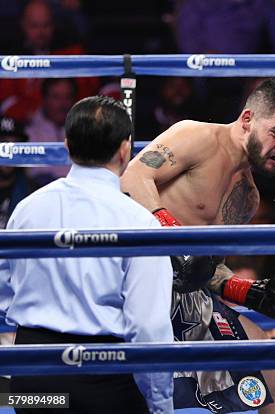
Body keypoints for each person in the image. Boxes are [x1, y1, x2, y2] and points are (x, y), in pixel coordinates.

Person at [121, 75, 275, 414]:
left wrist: (247, 292)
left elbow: (205, 268)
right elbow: (133, 177)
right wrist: (176, 241)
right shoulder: (196, 135)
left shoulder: (247, 197)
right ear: (248, 120)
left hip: (190, 300)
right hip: (139, 286)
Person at [0, 96, 174, 413]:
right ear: (126, 149)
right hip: (102, 378)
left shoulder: (26, 210)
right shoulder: (137, 221)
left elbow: (4, 290)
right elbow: (149, 326)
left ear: (66, 145)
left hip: (31, 378)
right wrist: (161, 403)